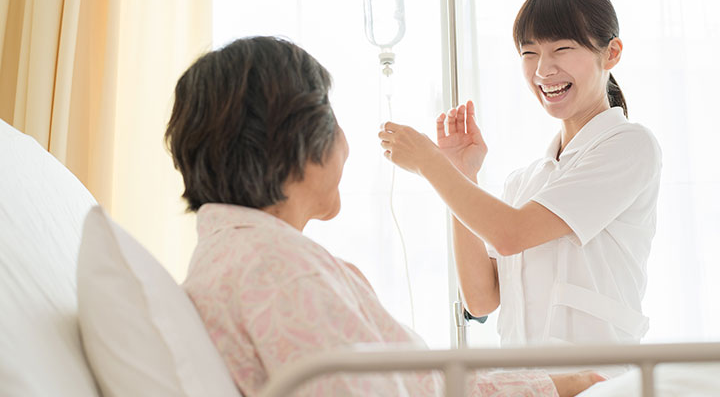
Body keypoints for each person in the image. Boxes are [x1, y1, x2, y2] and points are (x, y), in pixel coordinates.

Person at [165, 36, 603, 396]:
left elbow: (424, 382)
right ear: (297, 140)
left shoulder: (237, 257)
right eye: (331, 118)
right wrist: (433, 163)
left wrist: (551, 386)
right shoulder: (280, 271)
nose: (344, 142)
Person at [378, 0, 662, 354]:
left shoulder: (630, 146)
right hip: (524, 379)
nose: (543, 69)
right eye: (529, 53)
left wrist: (429, 163)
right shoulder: (526, 182)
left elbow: (510, 233)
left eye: (562, 49)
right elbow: (481, 299)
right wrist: (462, 173)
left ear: (611, 53)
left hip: (598, 378)